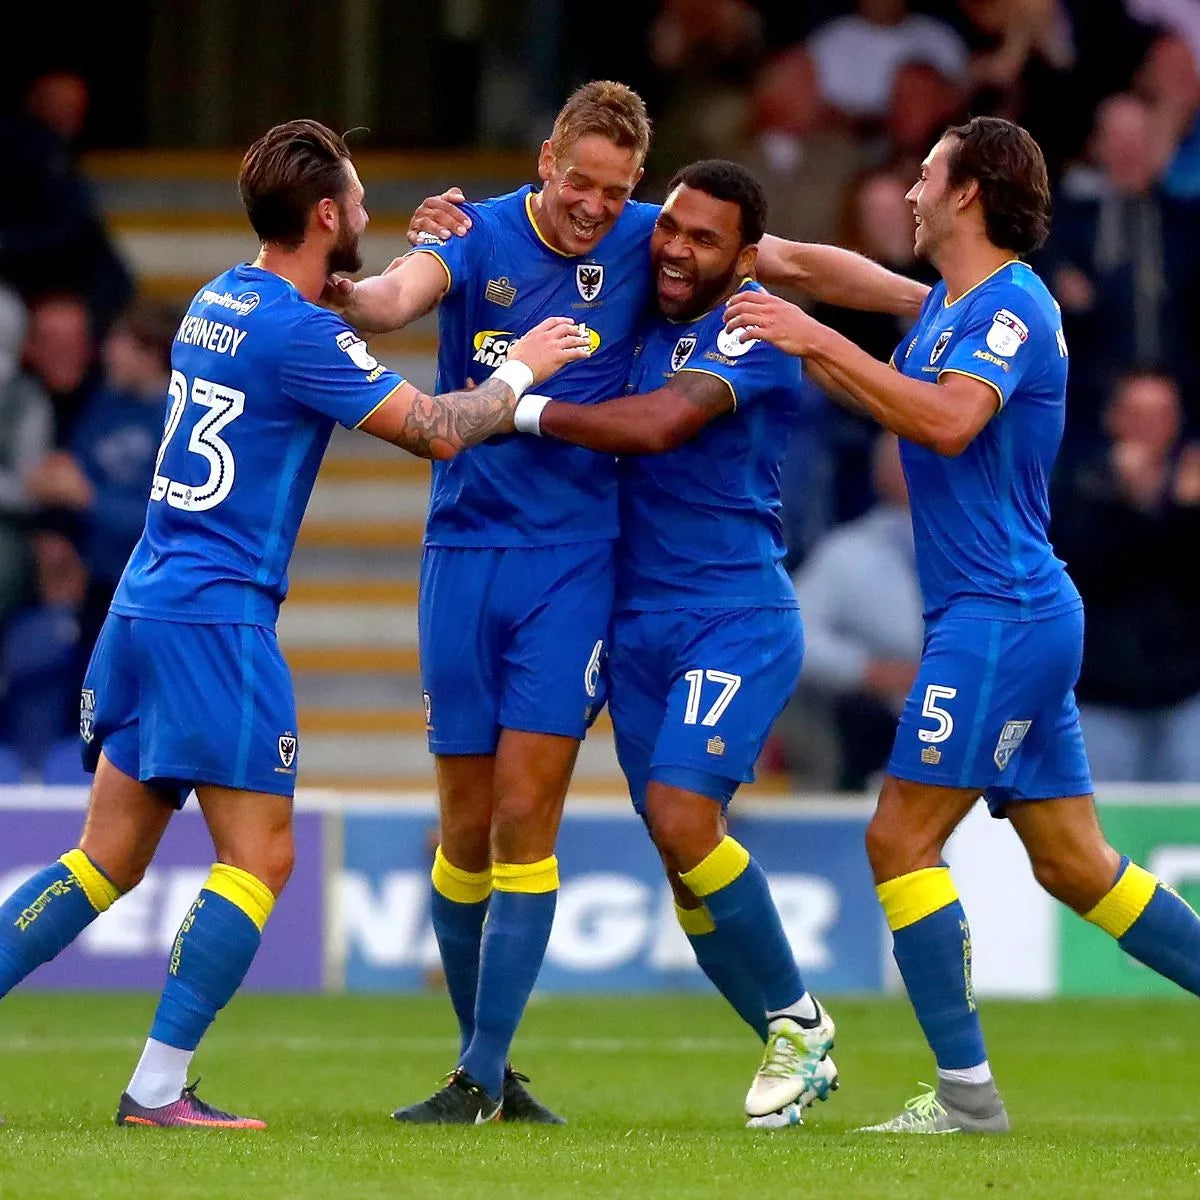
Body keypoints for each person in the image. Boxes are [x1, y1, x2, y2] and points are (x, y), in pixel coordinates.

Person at [331, 79, 926, 1126]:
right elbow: (389, 301)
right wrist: (328, 274)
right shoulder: (477, 235)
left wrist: (929, 303)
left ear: (637, 186)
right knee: (467, 827)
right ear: (546, 156)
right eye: (579, 182)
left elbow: (795, 264)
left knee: (539, 815)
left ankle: (490, 1074)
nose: (598, 209)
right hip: (467, 552)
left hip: (583, 566)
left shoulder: (677, 247)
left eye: (616, 191)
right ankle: (496, 1076)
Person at [0, 118, 589, 1130]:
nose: (368, 211)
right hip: (218, 617)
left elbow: (336, 317)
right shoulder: (300, 333)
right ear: (326, 215)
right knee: (262, 858)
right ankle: (156, 1089)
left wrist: (419, 259)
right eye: (358, 201)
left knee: (103, 859)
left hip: (144, 598)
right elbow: (440, 433)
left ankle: (154, 1086)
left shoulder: (218, 299)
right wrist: (524, 364)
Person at [725, 115, 1200, 1133]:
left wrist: (808, 339)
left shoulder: (1012, 310)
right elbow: (842, 273)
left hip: (1000, 617)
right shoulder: (953, 300)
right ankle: (967, 1096)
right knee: (1076, 864)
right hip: (1007, 615)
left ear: (968, 193)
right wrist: (715, 241)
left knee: (899, 838)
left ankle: (966, 1098)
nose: (907, 190)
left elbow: (946, 420)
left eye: (926, 174)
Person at [508, 159, 837, 1130]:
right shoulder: (639, 305)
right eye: (673, 229)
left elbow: (657, 426)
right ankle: (793, 1042)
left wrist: (517, 409)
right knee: (677, 846)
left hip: (732, 613)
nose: (679, 249)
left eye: (705, 239)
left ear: (745, 258)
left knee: (685, 813)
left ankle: (801, 1024)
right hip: (638, 621)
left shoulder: (752, 329)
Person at [1051, 367, 1200, 782]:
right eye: (1138, 414)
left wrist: (1187, 516)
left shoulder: (1192, 487)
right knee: (1103, 823)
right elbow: (1086, 576)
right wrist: (1129, 505)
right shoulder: (1075, 484)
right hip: (1103, 694)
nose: (1150, 427)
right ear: (1113, 418)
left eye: (1161, 414)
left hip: (1187, 694)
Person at [789, 432, 921, 792]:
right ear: (880, 474)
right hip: (875, 723)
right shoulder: (848, 552)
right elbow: (794, 639)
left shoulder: (993, 548)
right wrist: (867, 671)